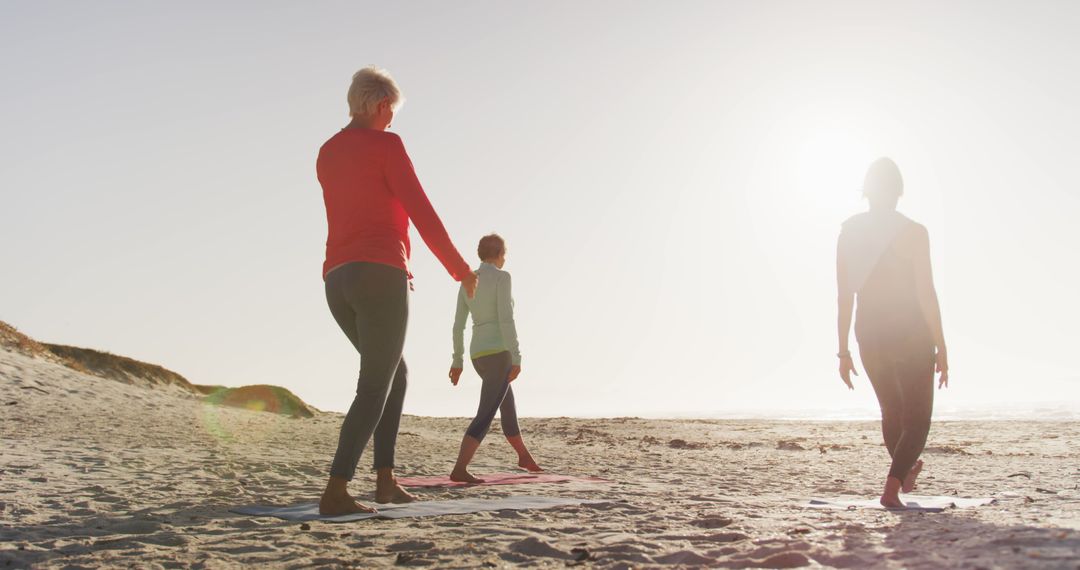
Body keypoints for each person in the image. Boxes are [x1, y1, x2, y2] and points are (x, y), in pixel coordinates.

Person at [316, 67, 478, 515]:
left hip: (337, 281)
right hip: (380, 275)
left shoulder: (326, 152)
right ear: (382, 106)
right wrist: (461, 271)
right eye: (392, 113)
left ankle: (385, 481)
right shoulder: (387, 144)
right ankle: (336, 490)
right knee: (373, 387)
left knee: (394, 375)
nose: (393, 122)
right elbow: (421, 210)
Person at [836, 157, 950, 508]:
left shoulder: (850, 230)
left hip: (870, 333)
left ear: (867, 190)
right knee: (917, 417)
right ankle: (891, 489)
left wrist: (843, 351)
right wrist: (942, 346)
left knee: (892, 413)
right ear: (899, 191)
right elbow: (925, 292)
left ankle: (904, 470)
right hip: (912, 333)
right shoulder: (914, 232)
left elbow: (845, 295)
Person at [448, 234, 541, 482]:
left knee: (506, 404)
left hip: (478, 354)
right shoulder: (502, 277)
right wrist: (516, 355)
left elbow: (458, 326)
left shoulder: (468, 281)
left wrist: (457, 361)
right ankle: (459, 469)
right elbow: (505, 318)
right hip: (499, 353)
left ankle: (524, 457)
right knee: (487, 412)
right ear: (499, 253)